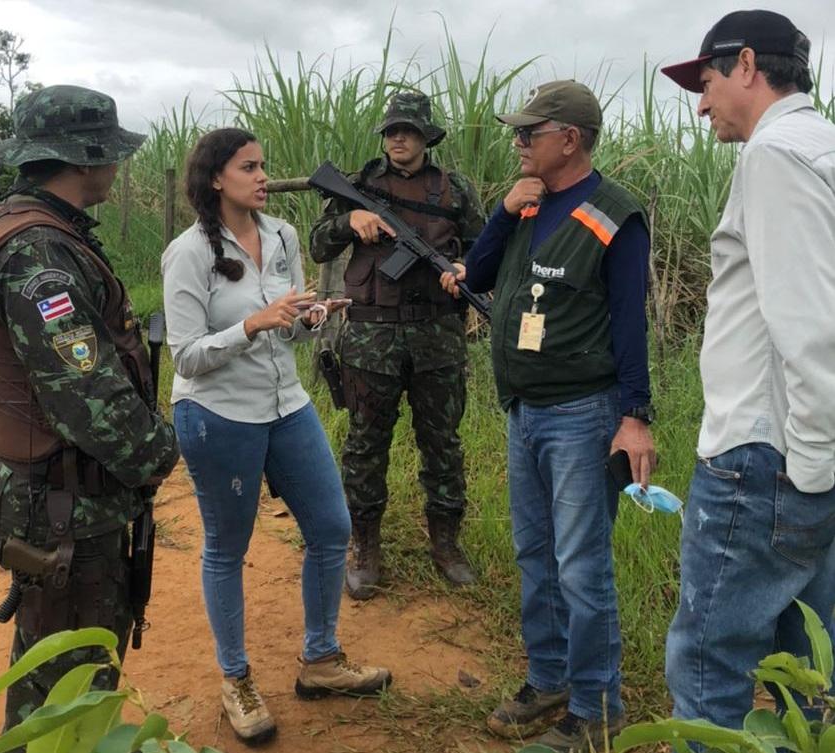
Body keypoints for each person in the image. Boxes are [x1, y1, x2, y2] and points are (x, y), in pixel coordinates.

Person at [0, 85, 181, 733]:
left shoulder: (18, 227)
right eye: (108, 153)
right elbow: (86, 394)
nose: (116, 165)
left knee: (48, 677)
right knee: (71, 691)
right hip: (67, 508)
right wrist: (158, 452)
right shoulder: (40, 252)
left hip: (55, 497)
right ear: (85, 158)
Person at [441, 80, 656, 750]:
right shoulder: (528, 205)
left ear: (569, 138)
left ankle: (597, 707)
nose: (518, 142)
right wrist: (504, 211)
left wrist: (635, 414)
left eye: (529, 133)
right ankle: (550, 677)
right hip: (523, 410)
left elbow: (629, 323)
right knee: (536, 553)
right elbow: (475, 275)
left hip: (582, 414)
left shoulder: (614, 213)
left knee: (581, 565)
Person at [162, 127, 391, 745]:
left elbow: (287, 332)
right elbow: (185, 356)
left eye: (264, 166)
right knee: (227, 547)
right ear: (216, 179)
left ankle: (321, 660)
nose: (264, 177)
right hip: (218, 414)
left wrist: (307, 318)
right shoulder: (188, 253)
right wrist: (252, 325)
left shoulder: (283, 235)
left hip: (286, 404)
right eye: (249, 168)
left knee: (332, 526)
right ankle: (235, 679)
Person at [661, 10, 835, 728]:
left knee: (711, 661)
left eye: (704, 81)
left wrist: (811, 470)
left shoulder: (775, 157)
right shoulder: (822, 145)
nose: (701, 103)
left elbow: (810, 328)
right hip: (804, 452)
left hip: (765, 460)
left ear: (744, 66)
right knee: (808, 666)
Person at [309, 91, 487, 599]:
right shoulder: (358, 185)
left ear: (427, 136)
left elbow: (484, 246)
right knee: (366, 443)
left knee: (443, 443)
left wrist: (468, 269)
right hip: (371, 336)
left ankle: (447, 544)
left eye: (408, 130)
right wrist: (349, 221)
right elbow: (319, 242)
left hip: (438, 336)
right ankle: (365, 547)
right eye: (391, 131)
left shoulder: (455, 190)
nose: (398, 139)